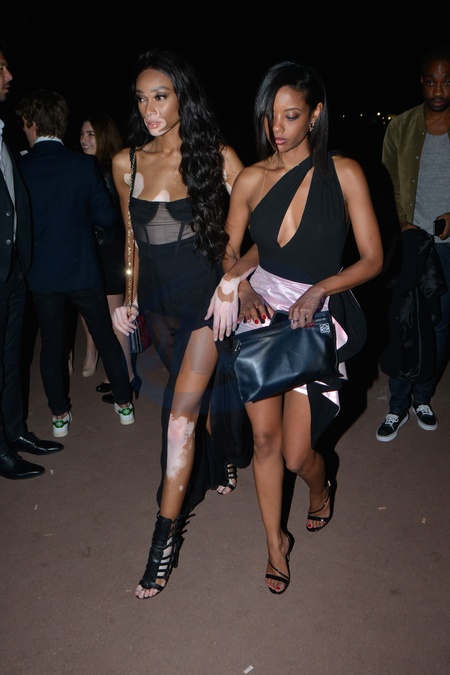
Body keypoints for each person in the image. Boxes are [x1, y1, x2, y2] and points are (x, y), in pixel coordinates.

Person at [206, 61, 383, 594]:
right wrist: (244, 287)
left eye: (290, 115)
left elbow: (373, 259)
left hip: (315, 315)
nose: (277, 128)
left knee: (297, 454)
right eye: (270, 116)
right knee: (264, 440)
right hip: (261, 314)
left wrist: (321, 288)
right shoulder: (251, 178)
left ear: (315, 115)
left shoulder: (344, 173)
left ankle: (320, 487)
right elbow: (228, 249)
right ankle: (274, 542)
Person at [111, 48, 244, 598]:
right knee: (197, 399)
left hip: (204, 307)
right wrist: (126, 298)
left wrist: (233, 281)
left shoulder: (217, 156)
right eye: (142, 99)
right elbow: (131, 239)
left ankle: (162, 545)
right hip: (157, 309)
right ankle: (220, 457)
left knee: (178, 419)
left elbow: (258, 228)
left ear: (182, 97)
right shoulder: (127, 163)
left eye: (160, 96)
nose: (150, 109)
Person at [15, 89, 135, 438]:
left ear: (33, 124)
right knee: (105, 337)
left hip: (42, 274)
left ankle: (59, 416)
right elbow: (107, 218)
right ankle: (124, 405)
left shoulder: (21, 167)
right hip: (84, 270)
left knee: (52, 345)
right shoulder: (82, 165)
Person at [376, 45, 450, 442]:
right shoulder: (401, 126)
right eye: (431, 81)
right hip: (409, 244)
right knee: (401, 323)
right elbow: (383, 184)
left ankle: (423, 397)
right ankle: (397, 404)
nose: (438, 89)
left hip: (448, 249)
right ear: (421, 82)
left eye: (447, 81)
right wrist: (399, 223)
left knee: (439, 324)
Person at [0, 39, 63, 480]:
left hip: (11, 270)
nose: (9, 76)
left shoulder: (2, 131)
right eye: (1, 67)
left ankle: (14, 432)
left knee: (10, 360)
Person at [78, 112, 138, 402]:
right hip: (106, 251)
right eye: (82, 134)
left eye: (91, 134)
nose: (84, 140)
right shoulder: (100, 166)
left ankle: (126, 378)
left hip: (110, 253)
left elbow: (109, 217)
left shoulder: (104, 168)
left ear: (103, 136)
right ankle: (116, 375)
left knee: (117, 323)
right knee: (112, 320)